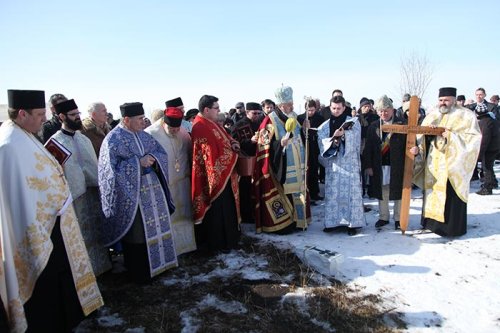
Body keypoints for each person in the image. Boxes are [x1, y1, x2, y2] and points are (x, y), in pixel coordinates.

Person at [0, 90, 102, 332]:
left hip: (54, 221)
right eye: (40, 114)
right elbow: (13, 196)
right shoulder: (8, 146)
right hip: (34, 230)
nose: (44, 119)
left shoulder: (25, 135)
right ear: (22, 114)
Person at [98, 102, 178, 283]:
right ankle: (140, 273)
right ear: (126, 119)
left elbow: (160, 153)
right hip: (132, 196)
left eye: (143, 118)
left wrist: (154, 159)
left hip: (153, 191)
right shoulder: (112, 139)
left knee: (158, 227)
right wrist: (137, 164)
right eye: (140, 119)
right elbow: (109, 172)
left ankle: (161, 264)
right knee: (138, 233)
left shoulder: (144, 135)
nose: (144, 122)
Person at [50, 99, 112, 276]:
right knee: (81, 235)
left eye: (78, 114)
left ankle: (103, 267)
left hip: (92, 193)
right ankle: (85, 272)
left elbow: (94, 165)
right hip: (74, 197)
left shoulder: (83, 139)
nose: (78, 118)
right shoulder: (55, 143)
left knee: (97, 229)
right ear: (62, 116)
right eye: (73, 115)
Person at [410, 87, 481, 237]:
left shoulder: (466, 115)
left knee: (450, 195)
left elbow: (473, 140)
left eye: (446, 100)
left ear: (454, 100)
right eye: (441, 100)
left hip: (452, 164)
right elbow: (421, 137)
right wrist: (428, 134)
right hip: (433, 161)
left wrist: (451, 136)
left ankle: (451, 228)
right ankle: (431, 224)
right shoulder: (432, 114)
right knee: (432, 191)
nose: (443, 103)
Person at [253, 86, 311, 234]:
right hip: (280, 168)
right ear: (280, 105)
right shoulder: (270, 120)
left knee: (298, 191)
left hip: (297, 166)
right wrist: (280, 145)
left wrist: (305, 130)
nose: (292, 106)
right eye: (288, 104)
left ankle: (299, 220)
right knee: (286, 192)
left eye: (292, 103)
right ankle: (285, 223)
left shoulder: (294, 118)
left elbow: (300, 139)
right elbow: (263, 146)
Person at [191, 95, 241, 252]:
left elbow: (226, 139)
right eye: (216, 108)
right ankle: (220, 243)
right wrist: (231, 154)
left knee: (227, 208)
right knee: (218, 212)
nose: (219, 110)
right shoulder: (200, 126)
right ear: (206, 110)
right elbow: (210, 155)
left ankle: (230, 240)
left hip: (224, 175)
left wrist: (233, 143)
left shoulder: (211, 123)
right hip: (214, 178)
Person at [145, 106, 197, 255]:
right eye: (171, 128)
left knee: (186, 214)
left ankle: (187, 247)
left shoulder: (183, 133)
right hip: (165, 184)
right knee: (169, 216)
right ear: (163, 123)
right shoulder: (151, 134)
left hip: (183, 181)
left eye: (177, 128)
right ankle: (171, 250)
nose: (175, 131)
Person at [318, 95, 365, 235]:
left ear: (344, 108)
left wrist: (344, 135)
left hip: (349, 164)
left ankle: (352, 224)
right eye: (333, 108)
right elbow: (322, 144)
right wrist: (334, 141)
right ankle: (332, 223)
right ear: (330, 107)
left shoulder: (353, 123)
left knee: (350, 194)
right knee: (333, 194)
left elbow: (356, 142)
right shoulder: (325, 126)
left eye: (339, 108)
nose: (336, 111)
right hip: (334, 165)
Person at [363, 95, 406, 230]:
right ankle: (383, 217)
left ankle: (399, 218)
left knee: (399, 191)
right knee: (383, 191)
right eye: (381, 111)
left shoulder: (403, 125)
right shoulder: (373, 126)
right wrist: (368, 165)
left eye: (386, 110)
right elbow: (368, 147)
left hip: (397, 164)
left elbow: (409, 144)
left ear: (392, 110)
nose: (384, 113)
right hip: (379, 164)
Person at [231, 102, 262, 223]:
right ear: (247, 112)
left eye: (259, 113)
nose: (257, 115)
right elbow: (234, 144)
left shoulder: (259, 123)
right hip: (245, 163)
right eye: (254, 113)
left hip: (258, 160)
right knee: (245, 189)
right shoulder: (238, 126)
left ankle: (255, 211)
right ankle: (246, 215)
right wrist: (250, 141)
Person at [297, 99, 324, 202]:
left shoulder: (319, 118)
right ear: (305, 109)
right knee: (305, 170)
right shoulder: (300, 118)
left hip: (314, 146)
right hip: (304, 146)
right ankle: (305, 194)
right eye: (309, 110)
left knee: (314, 169)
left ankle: (315, 193)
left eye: (312, 110)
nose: (310, 112)